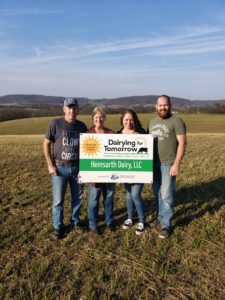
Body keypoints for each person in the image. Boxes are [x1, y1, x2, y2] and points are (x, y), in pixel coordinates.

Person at [43, 97, 87, 240]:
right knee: (58, 200)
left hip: (77, 167)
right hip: (60, 168)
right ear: (64, 109)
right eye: (69, 108)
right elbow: (46, 144)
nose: (72, 110)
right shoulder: (55, 123)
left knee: (77, 198)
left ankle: (75, 221)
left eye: (74, 108)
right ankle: (58, 227)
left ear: (78, 110)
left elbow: (87, 148)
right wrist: (50, 165)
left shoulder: (82, 126)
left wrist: (84, 168)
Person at [148, 95, 186, 239]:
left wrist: (176, 164)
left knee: (167, 194)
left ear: (170, 105)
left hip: (168, 164)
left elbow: (182, 143)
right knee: (157, 193)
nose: (163, 108)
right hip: (153, 163)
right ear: (156, 106)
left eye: (165, 105)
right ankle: (160, 216)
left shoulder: (176, 121)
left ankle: (167, 224)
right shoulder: (151, 122)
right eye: (160, 105)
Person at [87, 106, 116, 235]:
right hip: (94, 173)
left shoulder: (111, 133)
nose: (99, 119)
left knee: (108, 198)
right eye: (96, 117)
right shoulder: (87, 134)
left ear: (104, 118)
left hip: (109, 173)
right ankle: (93, 224)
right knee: (94, 199)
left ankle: (109, 221)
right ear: (93, 119)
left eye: (101, 117)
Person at [117, 109, 146, 236]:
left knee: (135, 195)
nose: (128, 122)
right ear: (122, 121)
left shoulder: (142, 133)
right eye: (126, 120)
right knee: (128, 194)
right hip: (125, 170)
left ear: (135, 120)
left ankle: (142, 220)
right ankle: (129, 217)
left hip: (139, 170)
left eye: (131, 120)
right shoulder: (117, 135)